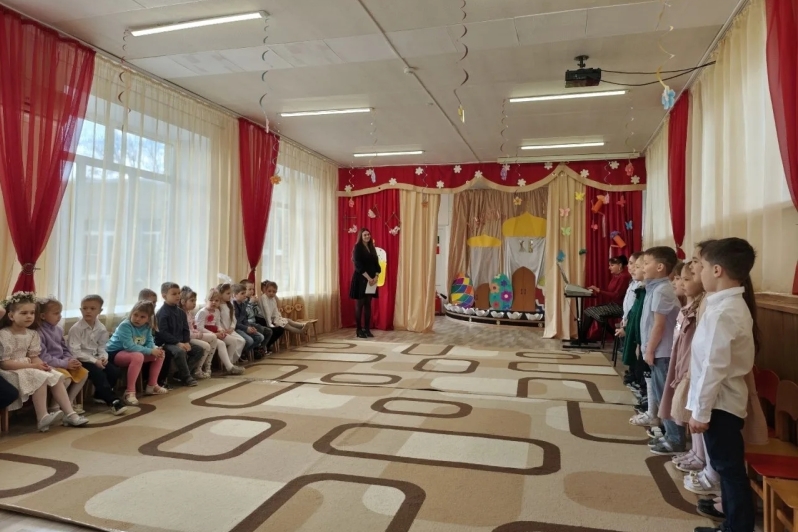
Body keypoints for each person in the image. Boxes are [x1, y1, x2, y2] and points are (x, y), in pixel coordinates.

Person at [689, 238, 759, 532]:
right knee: (725, 467)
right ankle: (731, 524)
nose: (700, 272)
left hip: (720, 404)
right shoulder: (723, 306)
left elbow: (713, 367)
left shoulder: (724, 312)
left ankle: (737, 527)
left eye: (703, 266)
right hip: (720, 402)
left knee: (729, 470)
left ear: (717, 270)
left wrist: (701, 412)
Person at [0, 292, 88, 431]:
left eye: (32, 313)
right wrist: (34, 366)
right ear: (11, 316)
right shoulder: (5, 334)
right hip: (11, 370)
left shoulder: (32, 334)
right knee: (39, 376)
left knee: (55, 375)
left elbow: (34, 356)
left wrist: (42, 365)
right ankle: (42, 417)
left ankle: (70, 414)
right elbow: (4, 363)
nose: (29, 316)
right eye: (24, 313)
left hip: (29, 367)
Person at [651, 261, 702, 455]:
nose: (676, 282)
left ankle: (677, 440)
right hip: (676, 361)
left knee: (682, 405)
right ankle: (677, 439)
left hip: (684, 366)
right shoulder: (686, 307)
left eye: (683, 278)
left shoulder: (698, 310)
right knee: (667, 398)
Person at [630, 247, 681, 442]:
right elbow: (648, 323)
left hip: (663, 351)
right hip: (657, 350)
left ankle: (674, 438)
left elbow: (659, 326)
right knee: (660, 395)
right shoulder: (653, 288)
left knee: (666, 396)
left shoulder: (662, 290)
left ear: (660, 267)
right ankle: (670, 434)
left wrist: (650, 350)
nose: (642, 267)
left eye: (646, 263)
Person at [68, 294, 128, 415]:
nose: (88, 311)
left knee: (114, 372)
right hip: (81, 360)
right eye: (85, 308)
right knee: (98, 374)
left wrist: (103, 358)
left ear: (100, 311)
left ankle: (99, 395)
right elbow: (75, 352)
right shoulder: (76, 329)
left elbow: (102, 347)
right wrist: (95, 361)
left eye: (92, 308)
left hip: (96, 358)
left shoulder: (101, 328)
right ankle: (113, 401)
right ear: (80, 310)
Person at [106, 300, 169, 404]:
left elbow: (149, 342)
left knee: (160, 354)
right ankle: (129, 392)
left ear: (148, 318)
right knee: (138, 356)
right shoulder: (125, 325)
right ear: (132, 313)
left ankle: (152, 385)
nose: (137, 319)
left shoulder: (147, 326)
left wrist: (155, 349)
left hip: (133, 352)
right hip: (115, 353)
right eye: (135, 315)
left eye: (142, 317)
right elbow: (129, 346)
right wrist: (150, 350)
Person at [36, 297, 89, 412]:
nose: (59, 316)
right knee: (66, 379)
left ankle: (68, 402)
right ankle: (54, 407)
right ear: (43, 316)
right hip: (50, 364)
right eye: (56, 313)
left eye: (60, 313)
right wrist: (65, 364)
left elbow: (64, 348)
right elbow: (43, 357)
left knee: (83, 373)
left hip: (63, 362)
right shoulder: (38, 332)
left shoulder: (59, 329)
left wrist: (70, 359)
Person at [155, 282, 204, 387]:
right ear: (164, 296)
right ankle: (187, 377)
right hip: (167, 343)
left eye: (178, 293)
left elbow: (186, 329)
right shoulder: (162, 313)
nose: (178, 296)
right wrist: (178, 343)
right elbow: (163, 333)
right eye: (174, 294)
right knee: (180, 351)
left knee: (199, 350)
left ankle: (181, 374)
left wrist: (186, 341)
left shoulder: (181, 312)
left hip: (181, 341)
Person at [578, 255, 632, 343]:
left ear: (620, 265)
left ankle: (583, 339)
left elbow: (617, 295)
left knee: (590, 312)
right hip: (613, 304)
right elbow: (610, 292)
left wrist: (599, 291)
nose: (609, 267)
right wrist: (597, 290)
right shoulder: (617, 276)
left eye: (612, 265)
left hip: (620, 306)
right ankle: (583, 338)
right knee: (591, 312)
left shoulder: (624, 277)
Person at [194, 288, 244, 375]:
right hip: (205, 334)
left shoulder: (217, 311)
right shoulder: (202, 312)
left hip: (214, 332)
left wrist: (220, 330)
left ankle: (229, 363)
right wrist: (214, 334)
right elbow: (199, 328)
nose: (214, 302)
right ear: (206, 301)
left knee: (233, 340)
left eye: (216, 301)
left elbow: (217, 324)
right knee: (221, 344)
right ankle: (229, 367)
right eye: (211, 300)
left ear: (219, 302)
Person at [349, 228, 381, 338]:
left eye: (368, 234)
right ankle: (359, 330)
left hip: (372, 280)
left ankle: (367, 329)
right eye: (365, 235)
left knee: (368, 305)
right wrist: (368, 278)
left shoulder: (372, 247)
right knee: (360, 305)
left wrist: (376, 276)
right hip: (361, 280)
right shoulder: (357, 248)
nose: (367, 236)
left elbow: (377, 264)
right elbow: (358, 265)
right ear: (361, 237)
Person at [179, 286, 216, 379]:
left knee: (213, 337)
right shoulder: (182, 314)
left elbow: (191, 328)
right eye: (192, 301)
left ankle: (207, 366)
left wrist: (197, 332)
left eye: (195, 301)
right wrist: (197, 334)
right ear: (183, 302)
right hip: (188, 338)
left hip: (193, 335)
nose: (194, 303)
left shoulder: (189, 313)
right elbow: (186, 333)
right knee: (206, 346)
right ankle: (197, 370)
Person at [259, 281, 308, 351]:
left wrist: (277, 318)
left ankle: (302, 326)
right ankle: (300, 331)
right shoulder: (264, 298)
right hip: (268, 320)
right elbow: (267, 313)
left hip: (274, 318)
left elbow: (275, 310)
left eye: (274, 292)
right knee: (286, 325)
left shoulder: (272, 298)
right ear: (265, 290)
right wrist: (270, 324)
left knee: (288, 320)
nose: (271, 293)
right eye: (269, 291)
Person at [232, 283, 266, 361]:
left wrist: (249, 327)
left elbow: (244, 319)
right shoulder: (232, 306)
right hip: (236, 328)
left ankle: (243, 352)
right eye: (242, 293)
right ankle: (238, 354)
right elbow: (235, 323)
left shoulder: (243, 304)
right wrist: (246, 328)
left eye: (244, 293)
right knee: (249, 340)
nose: (245, 295)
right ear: (235, 295)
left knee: (260, 337)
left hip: (243, 327)